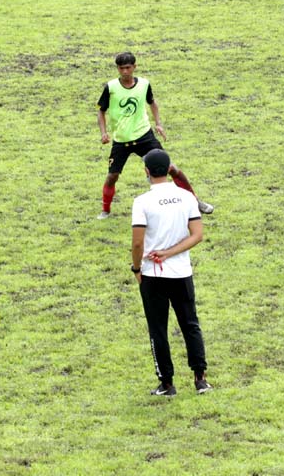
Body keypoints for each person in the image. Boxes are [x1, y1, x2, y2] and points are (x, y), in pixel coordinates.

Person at [131, 149, 213, 397]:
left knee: (158, 329)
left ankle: (167, 384)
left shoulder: (142, 202)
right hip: (181, 272)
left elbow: (137, 243)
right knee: (190, 324)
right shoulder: (186, 197)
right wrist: (171, 253)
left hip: (152, 274)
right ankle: (200, 379)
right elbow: (197, 235)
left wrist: (137, 267)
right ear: (169, 170)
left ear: (146, 171)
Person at [96, 51, 213, 219]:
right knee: (112, 176)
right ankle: (105, 210)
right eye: (121, 69)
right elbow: (101, 112)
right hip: (121, 140)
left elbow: (152, 103)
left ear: (134, 67)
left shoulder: (144, 84)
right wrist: (103, 133)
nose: (124, 72)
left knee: (171, 168)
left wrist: (158, 123)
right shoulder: (111, 87)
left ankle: (196, 202)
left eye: (128, 68)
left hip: (144, 136)